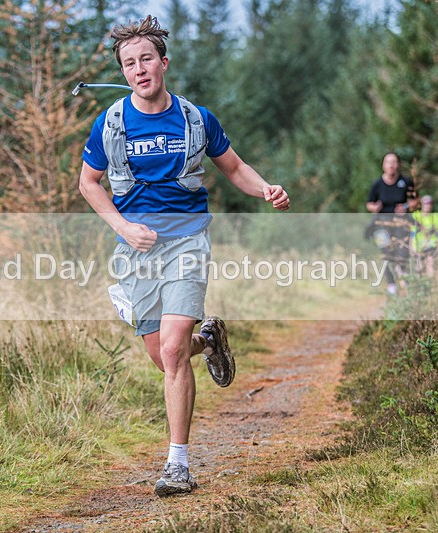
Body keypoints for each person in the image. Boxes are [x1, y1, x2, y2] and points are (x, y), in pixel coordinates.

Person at [78, 15, 289, 497]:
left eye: (146, 59)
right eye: (129, 63)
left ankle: (178, 465)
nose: (138, 69)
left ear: (163, 62)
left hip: (188, 241)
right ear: (124, 71)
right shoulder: (110, 123)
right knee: (164, 356)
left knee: (173, 349)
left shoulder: (196, 118)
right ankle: (209, 342)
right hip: (136, 252)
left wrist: (265, 190)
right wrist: (123, 226)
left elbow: (233, 167)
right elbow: (88, 183)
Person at [365, 152, 418, 295]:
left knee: (402, 253)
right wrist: (374, 207)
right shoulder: (377, 184)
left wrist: (405, 207)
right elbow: (369, 204)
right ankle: (391, 286)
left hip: (401, 223)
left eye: (394, 162)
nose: (391, 165)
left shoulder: (406, 182)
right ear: (383, 165)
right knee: (387, 254)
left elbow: (415, 201)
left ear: (398, 165)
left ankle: (405, 283)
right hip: (382, 225)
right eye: (388, 162)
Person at [411, 195, 438, 277]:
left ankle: (431, 284)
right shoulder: (416, 215)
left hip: (431, 244)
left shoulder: (435, 216)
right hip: (419, 246)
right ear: (422, 205)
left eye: (430, 204)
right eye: (426, 204)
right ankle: (421, 285)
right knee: (419, 267)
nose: (428, 206)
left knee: (430, 262)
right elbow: (412, 232)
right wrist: (411, 246)